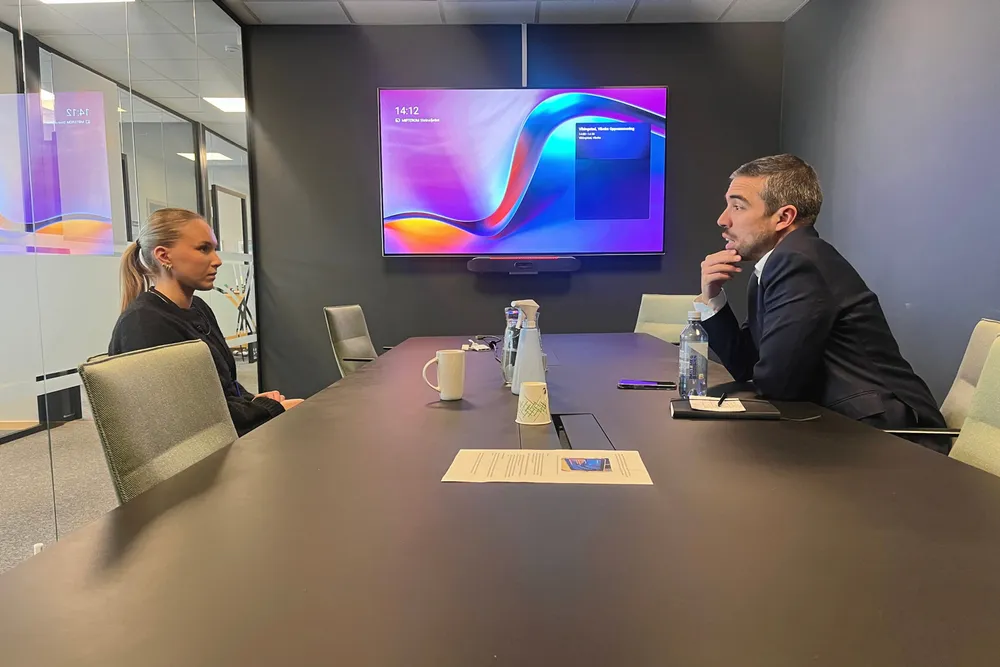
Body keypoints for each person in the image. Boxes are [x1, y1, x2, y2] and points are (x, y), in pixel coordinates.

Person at [695, 154, 948, 452]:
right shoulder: (775, 267)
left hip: (891, 437)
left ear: (783, 218)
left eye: (737, 206)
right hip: (841, 425)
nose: (723, 219)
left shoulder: (798, 263)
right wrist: (710, 297)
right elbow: (746, 366)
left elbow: (777, 384)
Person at [109, 208, 302, 436]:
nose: (217, 261)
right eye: (203, 249)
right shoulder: (144, 324)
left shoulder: (198, 308)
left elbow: (222, 389)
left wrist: (252, 401)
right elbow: (189, 419)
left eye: (214, 249)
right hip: (199, 450)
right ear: (164, 256)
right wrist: (268, 409)